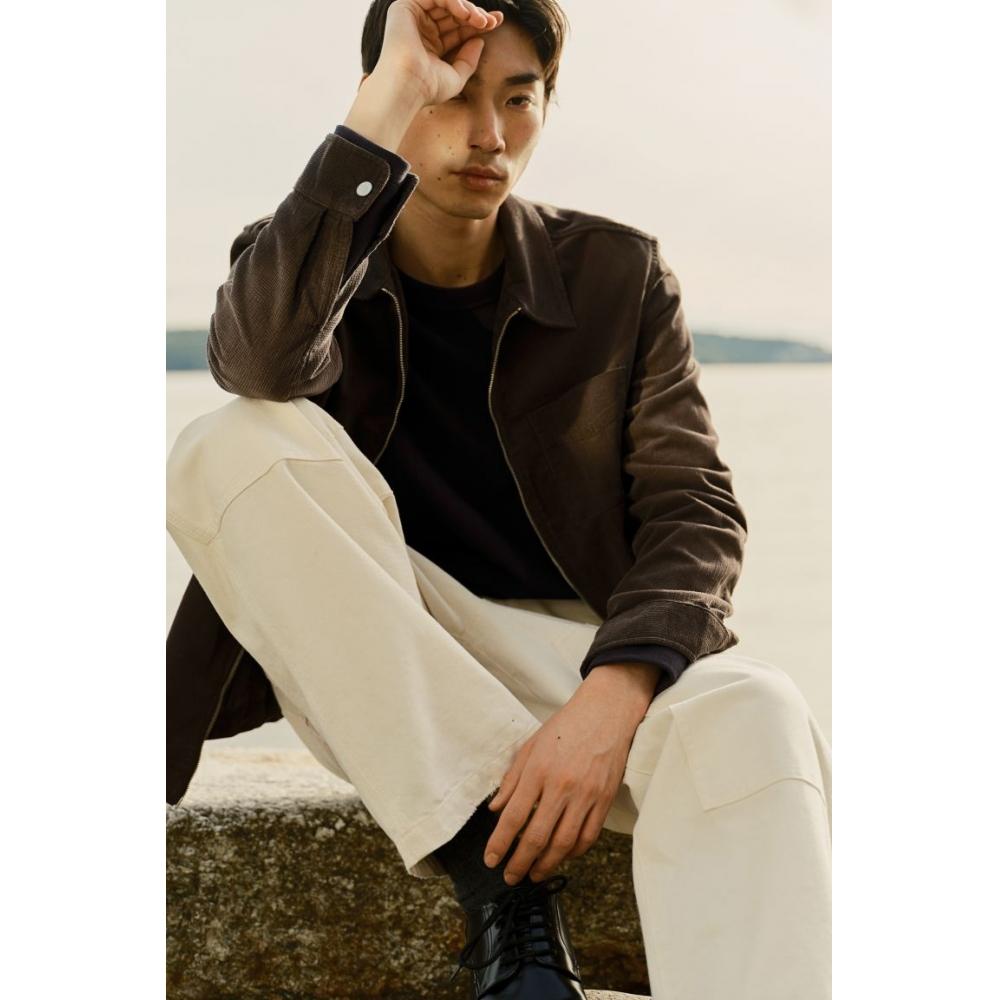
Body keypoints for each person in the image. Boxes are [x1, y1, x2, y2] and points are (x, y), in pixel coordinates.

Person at [165, 1, 832, 997]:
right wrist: (388, 99)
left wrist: (611, 694)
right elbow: (258, 364)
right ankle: (495, 872)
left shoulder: (615, 274)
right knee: (229, 441)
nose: (487, 134)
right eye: (453, 97)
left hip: (572, 659)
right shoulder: (305, 258)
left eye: (518, 100)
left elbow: (693, 506)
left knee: (759, 707)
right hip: (390, 663)